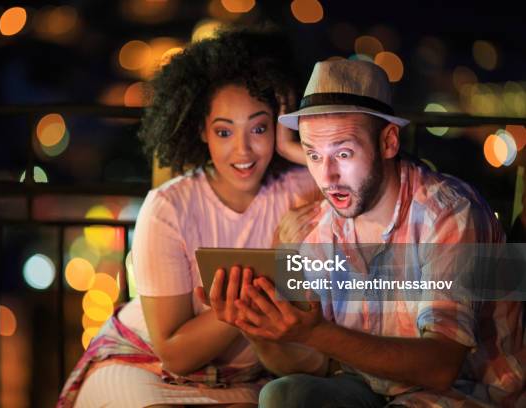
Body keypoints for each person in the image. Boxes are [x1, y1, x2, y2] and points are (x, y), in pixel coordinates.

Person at [204, 60, 525, 407]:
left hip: (465, 393)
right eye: (313, 154)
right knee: (282, 394)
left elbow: (442, 366)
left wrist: (316, 332)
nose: (327, 176)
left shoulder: (448, 213)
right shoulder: (312, 229)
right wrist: (261, 332)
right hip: (371, 389)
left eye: (343, 153)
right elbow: (311, 364)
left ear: (388, 142)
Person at [57, 28, 322, 408]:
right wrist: (249, 298)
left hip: (245, 380)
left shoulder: (300, 189)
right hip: (143, 366)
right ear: (201, 131)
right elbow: (175, 354)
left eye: (260, 129)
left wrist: (293, 148)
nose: (243, 150)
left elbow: (363, 177)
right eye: (224, 131)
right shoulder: (169, 207)